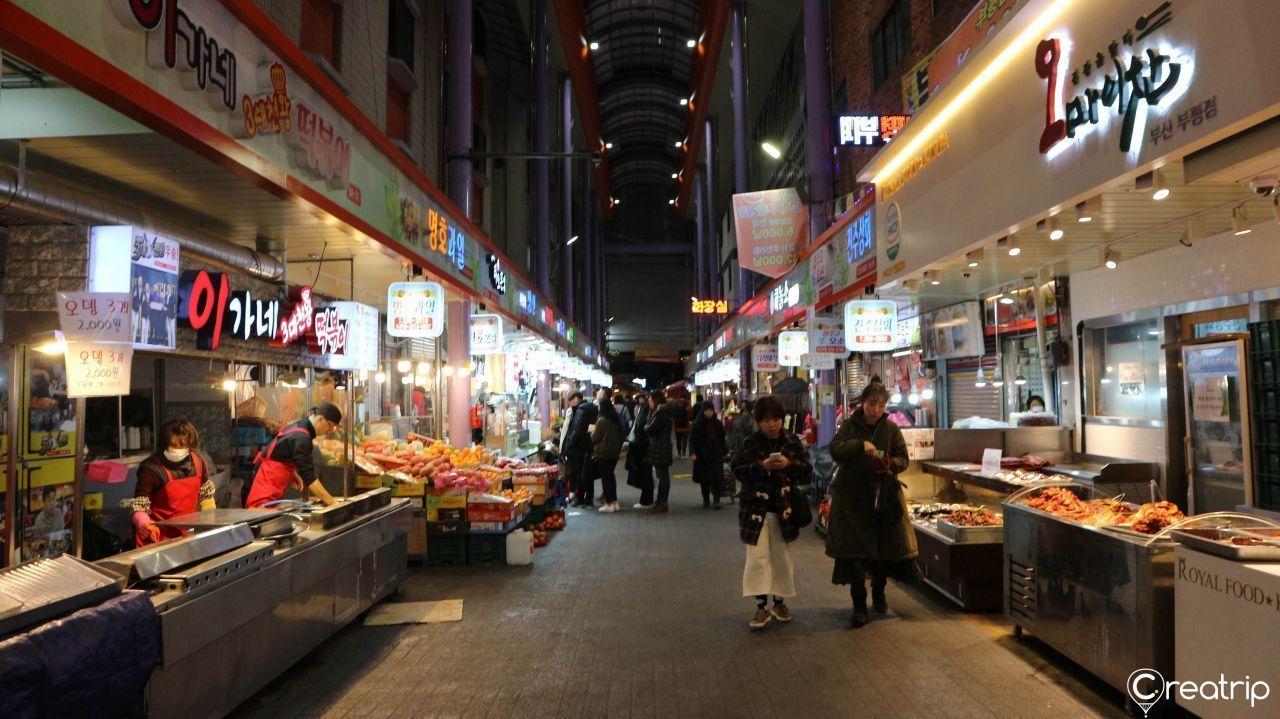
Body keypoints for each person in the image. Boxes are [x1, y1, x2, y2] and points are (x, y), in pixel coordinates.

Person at [827, 383, 916, 628]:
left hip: (884, 497)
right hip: (852, 499)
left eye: (880, 404)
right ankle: (859, 605)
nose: (876, 409)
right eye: (871, 404)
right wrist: (858, 445)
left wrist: (890, 464)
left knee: (881, 553)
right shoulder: (849, 426)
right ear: (862, 404)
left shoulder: (891, 428)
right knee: (855, 554)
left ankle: (879, 593)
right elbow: (835, 449)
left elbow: (903, 458)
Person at [732, 395, 811, 630]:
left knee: (782, 558)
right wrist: (761, 467)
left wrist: (789, 465)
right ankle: (760, 607)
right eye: (765, 420)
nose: (771, 424)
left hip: (785, 510)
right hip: (755, 511)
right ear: (758, 421)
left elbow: (807, 472)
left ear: (782, 419)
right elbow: (738, 469)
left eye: (776, 419)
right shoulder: (750, 443)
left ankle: (779, 603)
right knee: (757, 559)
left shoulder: (793, 443)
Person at [130, 419, 215, 546]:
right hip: (157, 537)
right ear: (164, 444)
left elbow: (206, 495)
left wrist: (209, 519)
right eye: (173, 446)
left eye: (182, 446)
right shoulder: (151, 468)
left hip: (188, 534)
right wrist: (143, 523)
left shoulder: (198, 461)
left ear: (190, 445)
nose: (177, 450)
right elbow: (140, 506)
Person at [245, 403, 342, 508]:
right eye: (330, 426)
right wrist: (332, 502)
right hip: (264, 495)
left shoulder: (298, 426)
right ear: (320, 419)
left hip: (269, 488)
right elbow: (310, 478)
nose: (330, 430)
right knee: (261, 514)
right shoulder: (302, 437)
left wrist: (293, 474)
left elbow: (279, 453)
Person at [562, 391, 598, 507]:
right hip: (587, 447)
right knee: (587, 474)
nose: (570, 404)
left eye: (571, 401)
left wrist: (569, 446)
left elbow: (576, 431)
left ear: (576, 398)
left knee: (580, 475)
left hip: (579, 449)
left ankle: (580, 499)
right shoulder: (589, 409)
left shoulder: (581, 411)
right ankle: (588, 499)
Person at [591, 394, 625, 513]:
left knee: (606, 479)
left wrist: (591, 431)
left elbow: (595, 437)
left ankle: (609, 503)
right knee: (610, 477)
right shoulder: (615, 418)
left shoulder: (602, 420)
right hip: (614, 453)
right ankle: (614, 502)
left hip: (603, 453)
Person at [691, 403, 728, 509]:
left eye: (711, 411)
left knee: (717, 478)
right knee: (704, 480)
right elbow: (692, 440)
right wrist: (693, 452)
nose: (709, 413)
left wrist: (725, 451)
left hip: (716, 454)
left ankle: (716, 499)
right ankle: (706, 499)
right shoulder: (697, 424)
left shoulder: (717, 424)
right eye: (707, 411)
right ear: (703, 412)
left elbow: (722, 439)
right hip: (702, 456)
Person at [643, 390, 674, 513]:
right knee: (662, 476)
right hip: (661, 446)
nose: (649, 403)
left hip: (661, 447)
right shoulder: (661, 412)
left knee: (663, 476)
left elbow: (651, 428)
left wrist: (646, 426)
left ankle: (663, 502)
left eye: (651, 400)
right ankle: (660, 501)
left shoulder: (661, 413)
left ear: (656, 400)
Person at [626, 392, 654, 508]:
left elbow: (641, 431)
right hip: (644, 447)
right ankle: (646, 500)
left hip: (643, 448)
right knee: (646, 474)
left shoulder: (645, 412)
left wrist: (633, 443)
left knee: (646, 474)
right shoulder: (645, 411)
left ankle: (646, 501)